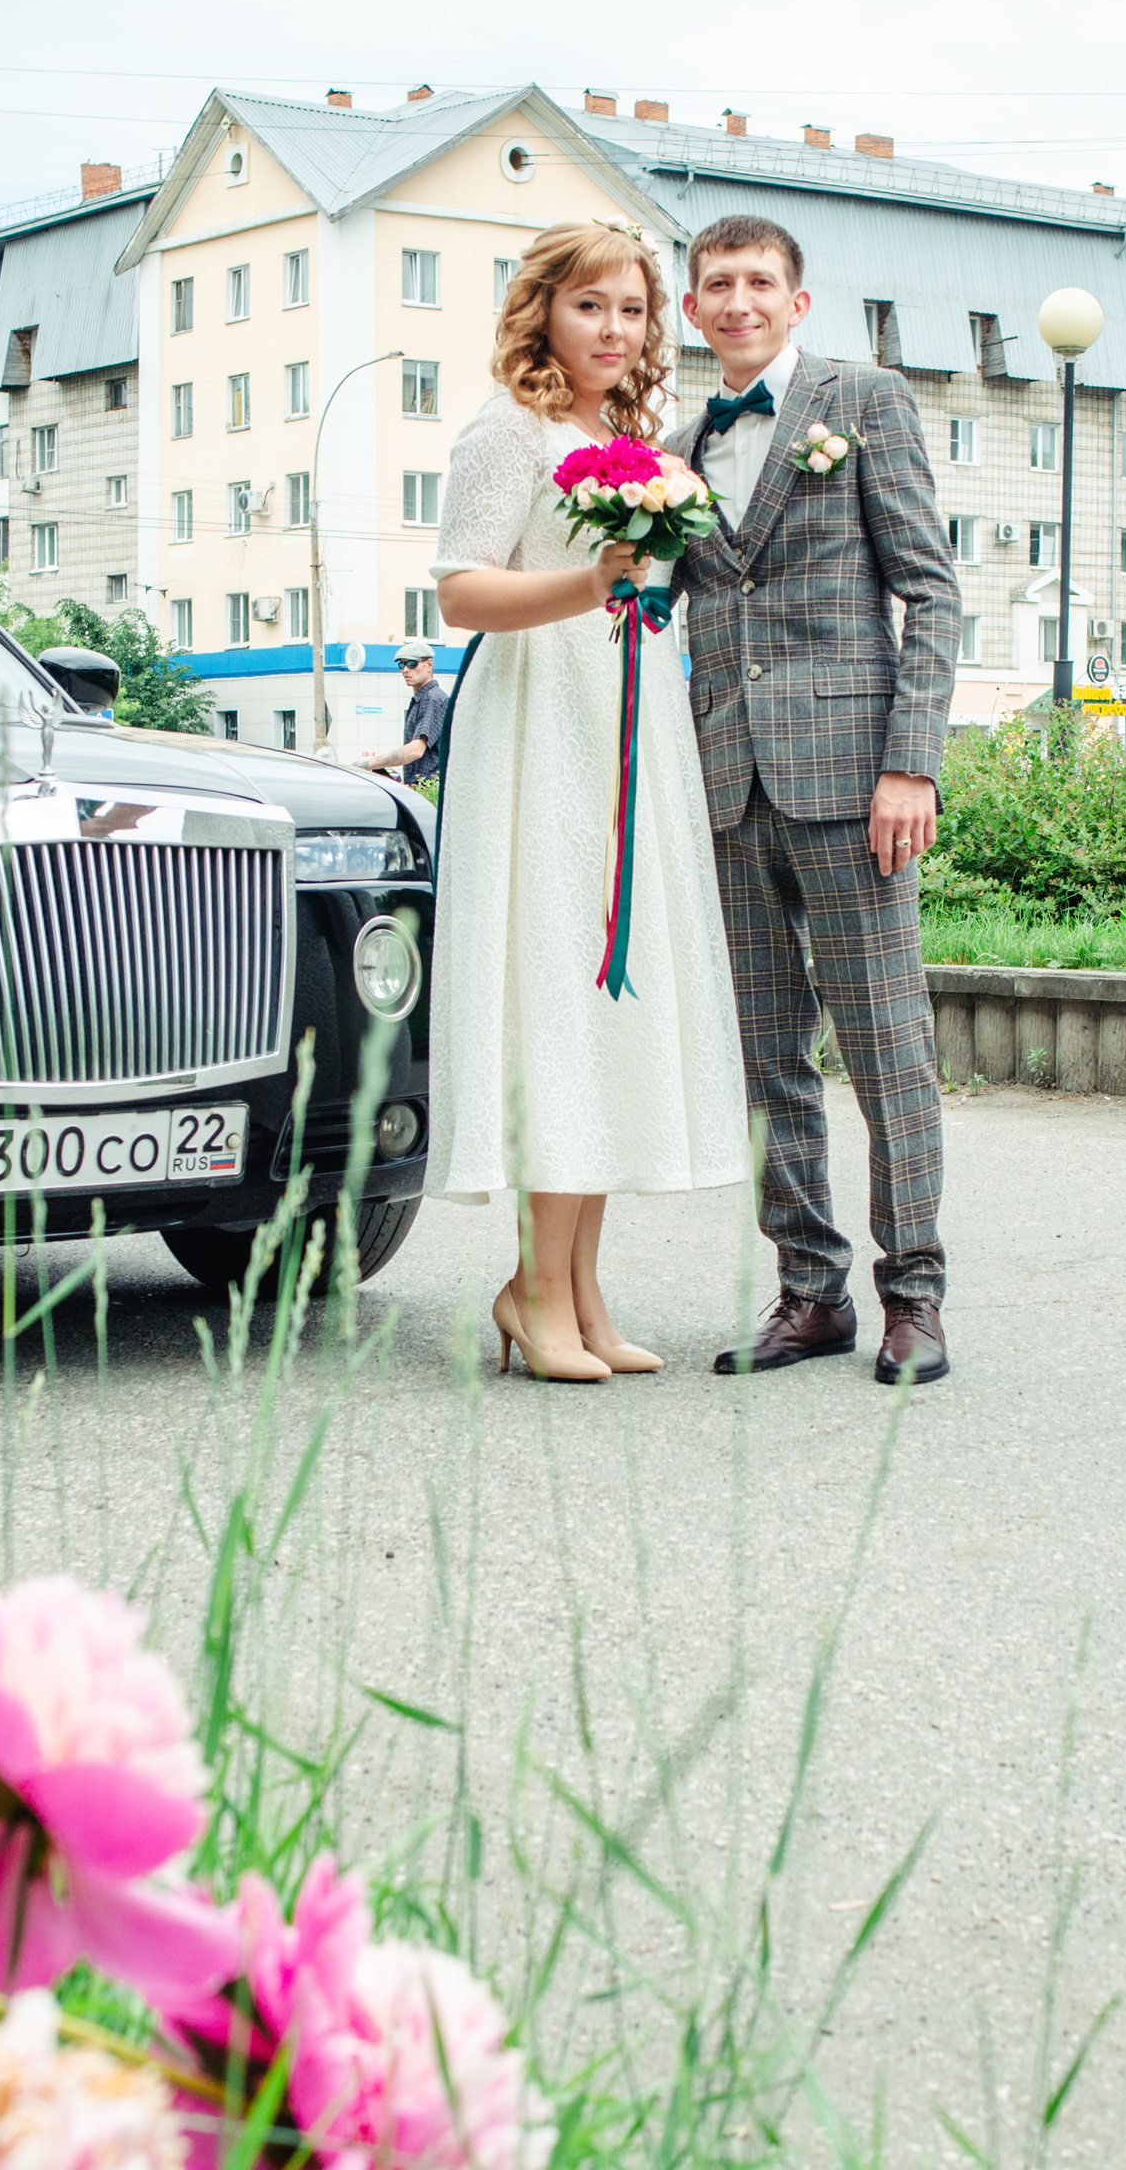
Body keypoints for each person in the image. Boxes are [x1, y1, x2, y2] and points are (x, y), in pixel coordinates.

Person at [425, 219, 748, 1382]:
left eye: (630, 310)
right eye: (590, 307)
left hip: (629, 720)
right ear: (542, 314)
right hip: (540, 727)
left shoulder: (628, 434)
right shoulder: (505, 429)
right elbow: (461, 590)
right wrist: (587, 579)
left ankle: (575, 1290)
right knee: (555, 995)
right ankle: (533, 1288)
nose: (615, 330)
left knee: (609, 999)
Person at [669, 216, 962, 1386]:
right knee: (765, 1057)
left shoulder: (863, 398)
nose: (737, 301)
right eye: (716, 286)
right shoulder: (681, 445)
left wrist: (912, 761)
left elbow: (930, 592)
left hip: (854, 780)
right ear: (693, 311)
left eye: (758, 282)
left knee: (888, 1045)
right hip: (728, 784)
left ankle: (916, 1296)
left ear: (796, 301)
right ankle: (809, 1290)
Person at [360, 639, 445, 791]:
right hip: (425, 791)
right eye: (401, 664)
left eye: (412, 663)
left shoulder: (433, 699)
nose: (405, 669)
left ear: (429, 664)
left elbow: (415, 750)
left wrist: (369, 764)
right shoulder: (421, 700)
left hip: (431, 793)